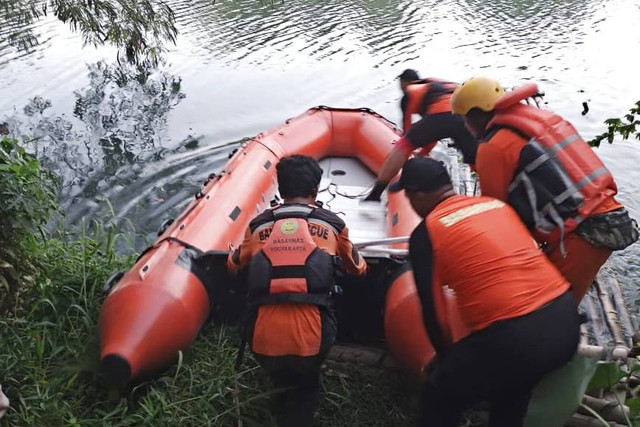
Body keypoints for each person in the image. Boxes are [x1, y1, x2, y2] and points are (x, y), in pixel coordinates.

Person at [390, 157, 580, 427]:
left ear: (415, 194)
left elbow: (434, 312)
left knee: (438, 395)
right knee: (513, 391)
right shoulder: (495, 205)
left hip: (515, 336)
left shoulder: (426, 233)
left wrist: (446, 361)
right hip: (564, 321)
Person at [450, 77, 639, 300]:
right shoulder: (542, 120)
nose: (465, 126)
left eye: (464, 119)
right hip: (605, 215)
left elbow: (495, 216)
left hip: (583, 234)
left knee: (552, 306)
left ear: (475, 114)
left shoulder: (493, 147)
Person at [227, 154, 367, 427]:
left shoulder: (258, 225)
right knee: (305, 387)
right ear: (316, 190)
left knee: (282, 381)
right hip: (312, 339)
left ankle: (281, 395)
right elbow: (358, 269)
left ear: (280, 190)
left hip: (262, 338)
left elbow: (232, 266)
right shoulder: (334, 225)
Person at [364, 72, 477, 201]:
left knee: (403, 146)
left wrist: (413, 152)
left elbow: (408, 135)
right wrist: (424, 152)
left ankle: (375, 194)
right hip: (464, 115)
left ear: (405, 83)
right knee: (473, 159)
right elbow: (434, 132)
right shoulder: (435, 85)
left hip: (444, 113)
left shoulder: (409, 94)